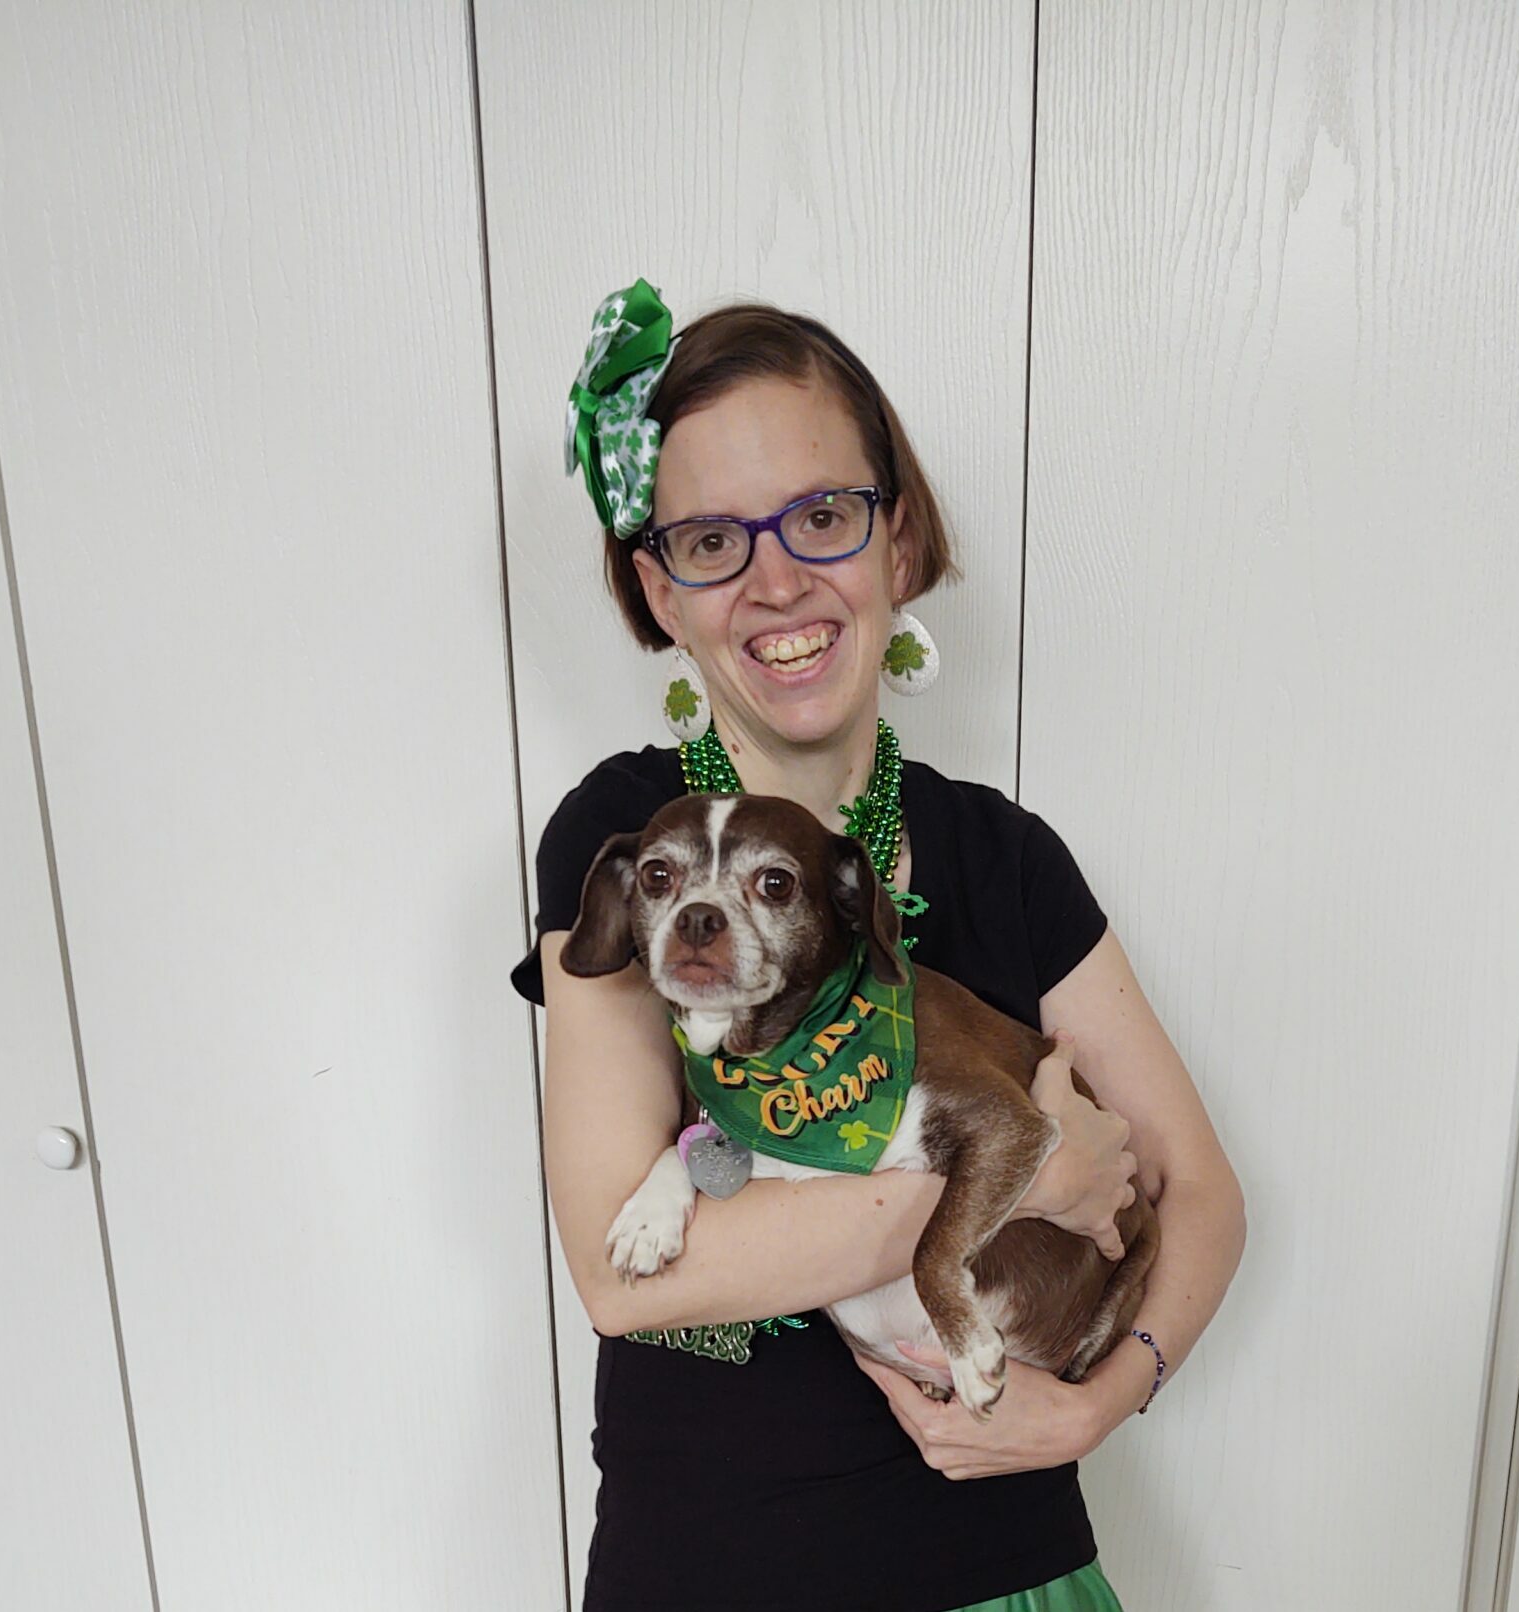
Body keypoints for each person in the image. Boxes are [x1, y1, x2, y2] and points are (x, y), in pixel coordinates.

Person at [510, 279, 1246, 1612]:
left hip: (1007, 1567)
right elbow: (629, 1279)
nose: (779, 578)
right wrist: (1019, 1174)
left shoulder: (1003, 856)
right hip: (713, 1574)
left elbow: (1200, 1187)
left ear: (899, 545)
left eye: (823, 516)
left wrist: (1104, 1401)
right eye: (713, 541)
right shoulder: (625, 843)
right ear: (658, 591)